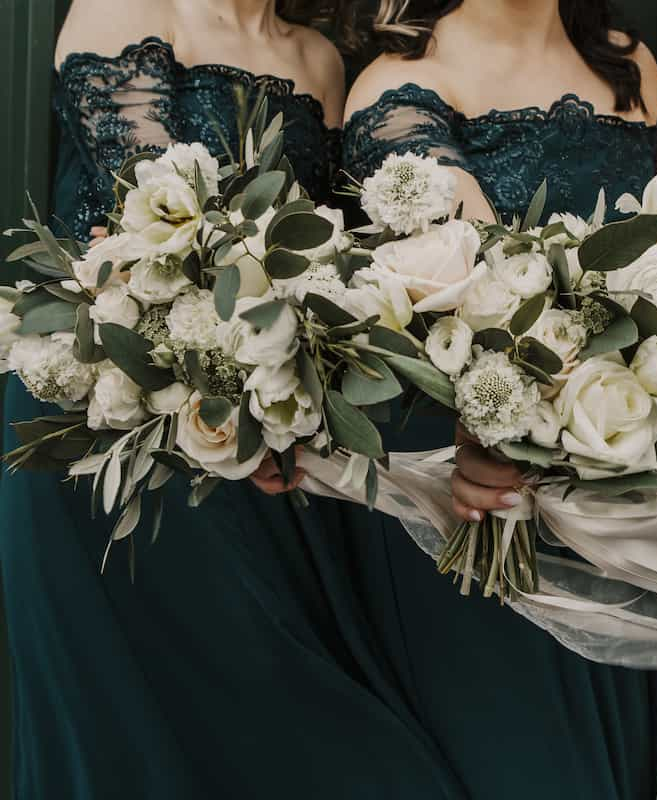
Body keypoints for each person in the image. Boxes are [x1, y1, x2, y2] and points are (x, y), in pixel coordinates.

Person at [0, 1, 465, 796]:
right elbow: (148, 234)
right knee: (127, 747)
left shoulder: (320, 59)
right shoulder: (128, 13)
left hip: (256, 438)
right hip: (103, 439)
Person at [340, 2, 657, 797]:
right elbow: (481, 304)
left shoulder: (633, 66)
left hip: (634, 495)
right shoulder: (403, 87)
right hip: (487, 499)